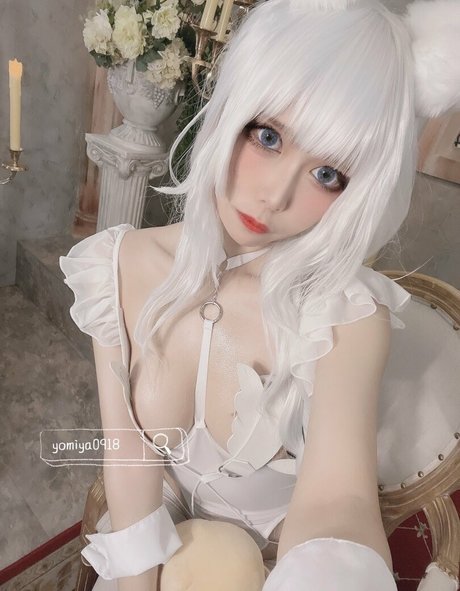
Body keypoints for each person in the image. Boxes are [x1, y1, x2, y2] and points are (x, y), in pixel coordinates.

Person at [59, 0, 460, 589]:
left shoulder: (346, 316)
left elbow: (339, 502)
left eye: (328, 174)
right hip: (160, 538)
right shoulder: (117, 267)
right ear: (233, 106)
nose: (275, 196)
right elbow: (129, 455)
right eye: (268, 136)